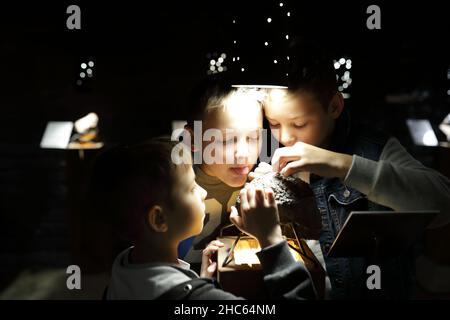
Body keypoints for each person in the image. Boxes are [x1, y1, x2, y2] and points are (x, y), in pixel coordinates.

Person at [253, 38, 450, 299]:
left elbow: (443, 203)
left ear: (334, 106)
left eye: (299, 124)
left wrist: (341, 165)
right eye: (274, 123)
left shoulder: (372, 147)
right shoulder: (264, 153)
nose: (286, 136)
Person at [90, 138, 316, 299]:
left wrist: (200, 281)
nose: (203, 192)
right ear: (159, 219)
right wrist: (271, 239)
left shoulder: (124, 266)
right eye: (190, 188)